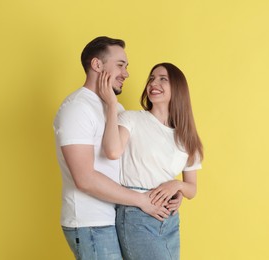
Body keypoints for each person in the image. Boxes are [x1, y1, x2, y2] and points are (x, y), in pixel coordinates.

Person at [53, 37, 178, 260]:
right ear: (97, 65)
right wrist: (142, 200)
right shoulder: (76, 108)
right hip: (90, 223)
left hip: (117, 218)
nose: (126, 73)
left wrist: (170, 191)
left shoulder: (114, 107)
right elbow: (85, 179)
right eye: (120, 65)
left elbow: (130, 162)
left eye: (126, 66)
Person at [99, 62, 204, 260]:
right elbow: (113, 151)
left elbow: (192, 190)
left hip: (170, 220)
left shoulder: (187, 137)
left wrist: (176, 185)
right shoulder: (131, 119)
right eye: (152, 78)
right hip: (136, 214)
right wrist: (112, 105)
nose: (153, 83)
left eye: (163, 79)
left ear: (178, 88)